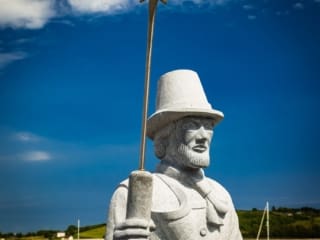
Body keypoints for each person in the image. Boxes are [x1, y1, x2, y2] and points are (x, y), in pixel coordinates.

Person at [106, 69, 243, 240]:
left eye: (208, 127)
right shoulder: (132, 193)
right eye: (191, 125)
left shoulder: (221, 194)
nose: (203, 137)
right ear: (163, 138)